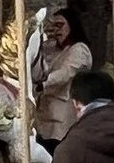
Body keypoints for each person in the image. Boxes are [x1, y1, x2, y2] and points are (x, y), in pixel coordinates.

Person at [32, 8, 94, 149]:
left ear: (72, 26)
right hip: (47, 116)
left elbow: (66, 73)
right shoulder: (58, 51)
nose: (56, 31)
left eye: (60, 26)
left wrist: (44, 83)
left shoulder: (80, 49)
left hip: (63, 118)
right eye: (54, 27)